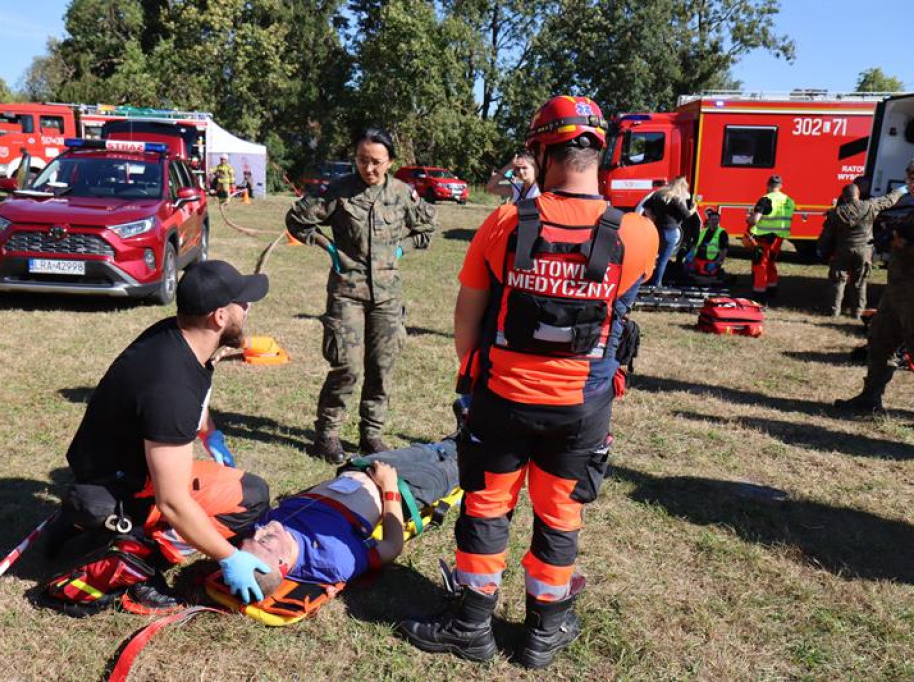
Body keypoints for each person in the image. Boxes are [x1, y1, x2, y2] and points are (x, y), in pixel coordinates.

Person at [398, 96, 658, 669]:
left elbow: (468, 317)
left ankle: (471, 624)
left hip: (503, 398)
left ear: (542, 151)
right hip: (582, 406)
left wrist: (474, 379)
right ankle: (545, 628)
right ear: (599, 153)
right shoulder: (637, 235)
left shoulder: (505, 222)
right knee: (561, 513)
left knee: (488, 506)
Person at [45, 261, 274, 614]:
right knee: (246, 502)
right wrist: (229, 557)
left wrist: (210, 434)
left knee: (249, 491)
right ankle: (137, 565)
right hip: (121, 486)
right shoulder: (171, 388)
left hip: (118, 467)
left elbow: (194, 396)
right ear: (218, 317)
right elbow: (172, 502)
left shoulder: (178, 336)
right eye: (242, 304)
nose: (248, 309)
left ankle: (101, 528)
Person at [286, 128, 437, 464]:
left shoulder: (402, 194)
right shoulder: (339, 191)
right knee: (347, 366)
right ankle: (327, 434)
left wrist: (401, 248)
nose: (369, 168)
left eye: (376, 162)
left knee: (382, 366)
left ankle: (371, 433)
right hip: (347, 292)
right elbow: (297, 220)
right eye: (362, 161)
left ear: (391, 163)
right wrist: (330, 249)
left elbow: (426, 230)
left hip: (387, 296)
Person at [237, 437, 459, 596]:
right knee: (460, 463)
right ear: (282, 563)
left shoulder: (262, 531)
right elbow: (392, 547)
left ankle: (467, 430)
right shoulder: (334, 560)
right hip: (404, 489)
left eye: (252, 538)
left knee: (434, 449)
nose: (260, 530)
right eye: (265, 541)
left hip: (364, 467)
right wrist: (389, 486)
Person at [835, 161, 914, 415]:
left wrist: (904, 241)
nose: (911, 182)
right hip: (897, 291)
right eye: (909, 176)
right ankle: (869, 400)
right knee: (880, 342)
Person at [819, 181, 907, 317]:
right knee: (859, 282)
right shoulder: (869, 206)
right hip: (864, 250)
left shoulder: (836, 213)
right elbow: (889, 200)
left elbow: (827, 235)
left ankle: (833, 311)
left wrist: (823, 250)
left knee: (838, 281)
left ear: (843, 196)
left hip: (843, 250)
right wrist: (903, 189)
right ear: (858, 194)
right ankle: (858, 312)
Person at [746, 175, 795, 302]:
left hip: (764, 237)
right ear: (781, 186)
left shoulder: (765, 199)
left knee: (760, 265)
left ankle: (759, 296)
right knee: (771, 264)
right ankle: (772, 290)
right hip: (778, 239)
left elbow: (755, 219)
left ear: (768, 185)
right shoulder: (789, 201)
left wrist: (749, 218)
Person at [643, 176, 695, 287]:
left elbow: (645, 206)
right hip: (671, 232)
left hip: (656, 230)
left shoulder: (659, 194)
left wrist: (652, 217)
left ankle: (644, 278)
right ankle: (657, 283)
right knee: (663, 259)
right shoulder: (676, 199)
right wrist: (694, 208)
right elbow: (686, 215)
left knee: (652, 256)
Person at [683, 208, 730, 282]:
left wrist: (717, 262)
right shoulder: (703, 231)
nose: (715, 222)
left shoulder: (722, 233)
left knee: (705, 276)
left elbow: (724, 250)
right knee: (687, 271)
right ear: (709, 220)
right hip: (697, 259)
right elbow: (695, 244)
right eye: (713, 219)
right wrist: (690, 255)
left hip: (711, 261)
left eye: (716, 220)